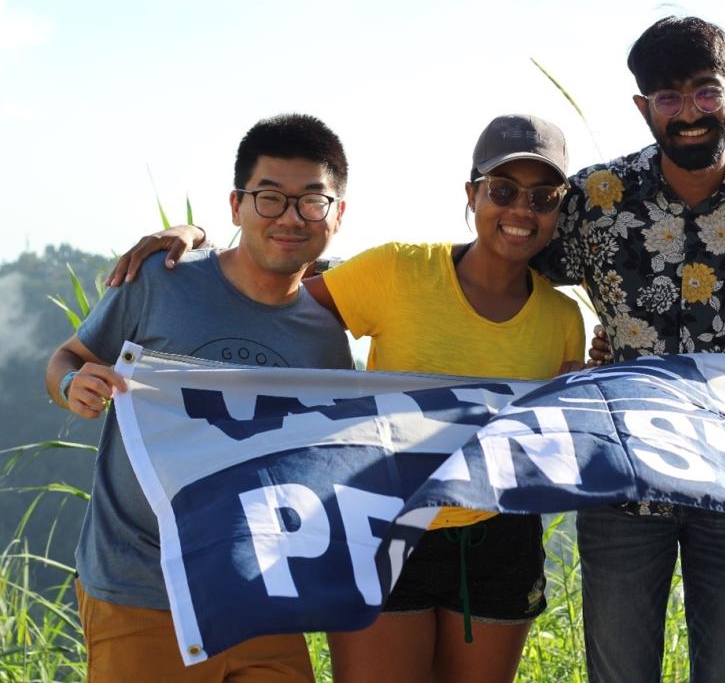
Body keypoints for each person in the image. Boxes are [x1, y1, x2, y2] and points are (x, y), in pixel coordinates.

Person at [105, 113, 586, 683]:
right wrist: (200, 244)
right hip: (383, 524)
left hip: (500, 539)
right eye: (502, 191)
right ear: (472, 194)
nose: (521, 210)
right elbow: (272, 301)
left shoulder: (563, 318)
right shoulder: (398, 270)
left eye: (543, 196)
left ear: (560, 207)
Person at [531, 15, 725, 681]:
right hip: (622, 478)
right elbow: (516, 270)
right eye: (669, 99)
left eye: (706, 93)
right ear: (642, 106)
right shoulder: (594, 197)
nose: (689, 114)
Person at [45, 113, 354, 682]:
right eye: (269, 198)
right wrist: (73, 386)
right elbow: (66, 358)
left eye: (312, 201)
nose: (289, 217)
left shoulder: (326, 334)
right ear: (235, 206)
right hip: (141, 590)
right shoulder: (159, 281)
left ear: (337, 214)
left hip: (262, 598)